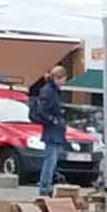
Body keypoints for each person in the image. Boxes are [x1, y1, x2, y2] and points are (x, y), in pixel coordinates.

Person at [25, 59, 69, 193]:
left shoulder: (52, 90)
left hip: (55, 130)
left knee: (52, 160)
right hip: (52, 130)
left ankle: (47, 184)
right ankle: (44, 187)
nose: (64, 82)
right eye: (63, 79)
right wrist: (53, 120)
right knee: (50, 160)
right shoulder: (48, 91)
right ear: (57, 78)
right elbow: (43, 110)